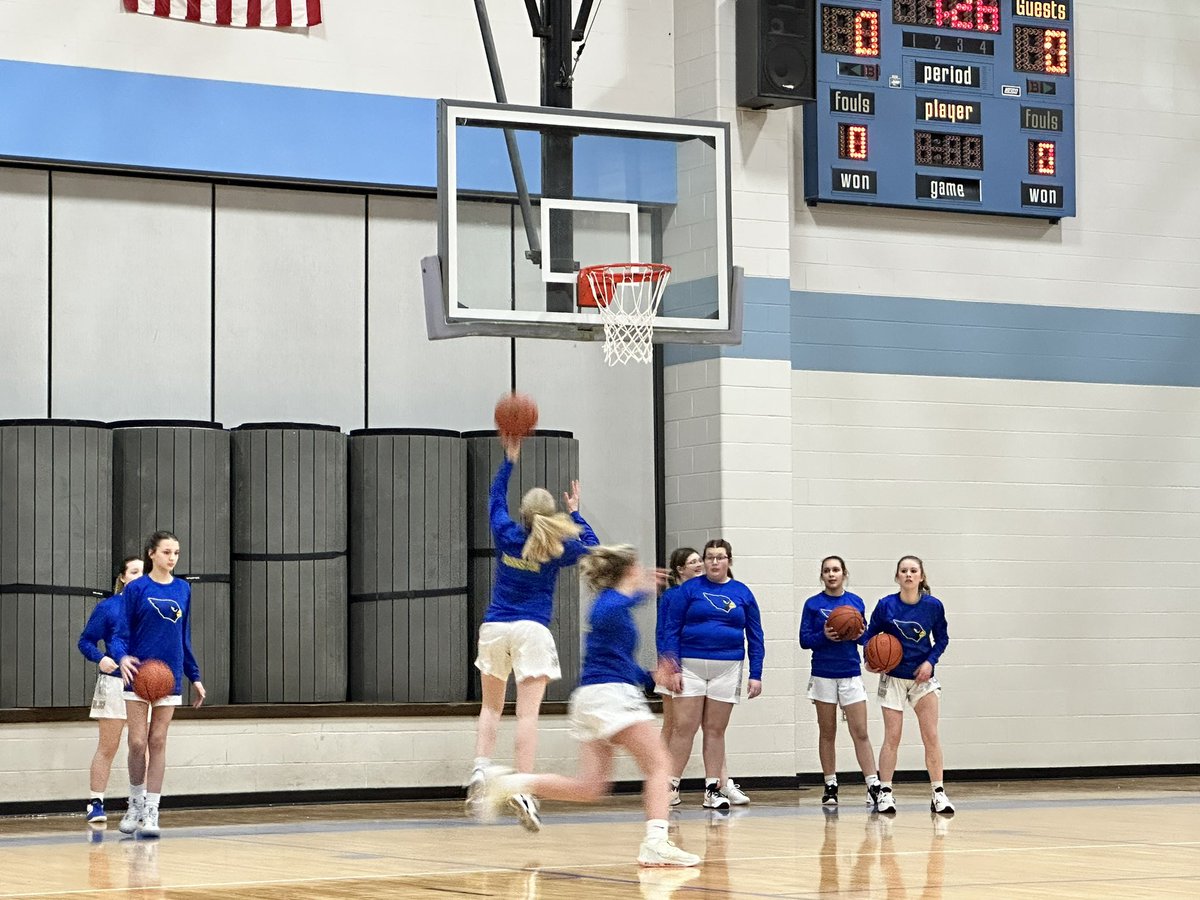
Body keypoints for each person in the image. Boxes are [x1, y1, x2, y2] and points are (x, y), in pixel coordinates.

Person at [476, 544, 701, 868]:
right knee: (660, 765)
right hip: (610, 696)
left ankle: (513, 783)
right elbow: (607, 616)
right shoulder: (609, 605)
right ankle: (655, 843)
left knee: (591, 787)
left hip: (594, 697)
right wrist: (637, 594)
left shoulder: (615, 605)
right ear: (627, 571)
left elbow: (619, 662)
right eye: (637, 567)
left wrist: (652, 675)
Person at [466, 435, 599, 825]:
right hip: (531, 631)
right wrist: (575, 514)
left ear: (522, 513)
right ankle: (522, 788)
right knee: (527, 716)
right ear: (551, 514)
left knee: (491, 707)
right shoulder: (557, 547)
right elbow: (593, 547)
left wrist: (509, 461)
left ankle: (479, 767)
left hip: (494, 627)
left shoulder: (506, 533)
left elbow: (493, 498)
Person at [111, 531, 206, 838]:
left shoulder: (183, 588)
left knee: (159, 741)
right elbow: (119, 632)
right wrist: (121, 657)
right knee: (137, 742)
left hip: (169, 673)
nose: (172, 558)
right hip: (138, 672)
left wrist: (194, 675)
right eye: (167, 552)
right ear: (152, 553)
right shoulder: (136, 589)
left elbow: (184, 636)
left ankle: (152, 810)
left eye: (176, 552)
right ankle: (134, 803)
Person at [659, 539, 764, 811]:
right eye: (709, 557)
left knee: (716, 731)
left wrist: (756, 673)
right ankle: (670, 786)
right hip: (690, 666)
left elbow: (755, 635)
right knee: (684, 729)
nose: (714, 562)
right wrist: (672, 666)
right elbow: (671, 629)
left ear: (729, 560)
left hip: (728, 667)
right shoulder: (689, 590)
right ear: (704, 561)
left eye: (720, 557)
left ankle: (712, 790)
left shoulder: (742, 592)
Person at [863, 555, 953, 815]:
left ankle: (938, 793)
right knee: (892, 737)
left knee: (931, 736)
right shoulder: (885, 605)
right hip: (893, 677)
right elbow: (869, 637)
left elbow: (943, 639)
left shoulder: (933, 606)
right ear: (897, 576)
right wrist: (869, 661)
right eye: (904, 571)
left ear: (921, 576)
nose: (909, 575)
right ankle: (886, 792)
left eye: (913, 570)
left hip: (922, 678)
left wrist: (930, 662)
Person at [799, 555, 881, 808]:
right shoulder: (812, 604)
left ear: (844, 573)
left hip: (850, 673)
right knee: (827, 732)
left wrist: (860, 635)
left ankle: (873, 784)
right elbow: (805, 640)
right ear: (821, 575)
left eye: (836, 570)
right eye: (826, 570)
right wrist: (823, 635)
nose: (831, 574)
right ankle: (831, 784)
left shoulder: (855, 602)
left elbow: (864, 639)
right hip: (823, 673)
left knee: (861, 732)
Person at [77, 555, 144, 824]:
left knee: (140, 747)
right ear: (123, 578)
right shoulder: (109, 608)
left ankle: (138, 803)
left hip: (144, 686)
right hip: (114, 683)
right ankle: (96, 803)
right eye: (135, 572)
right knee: (108, 745)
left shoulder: (155, 609)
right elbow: (85, 641)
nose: (140, 576)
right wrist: (100, 658)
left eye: (144, 572)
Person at [653, 547, 702, 794]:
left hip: (697, 667)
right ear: (680, 569)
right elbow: (663, 632)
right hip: (673, 666)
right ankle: (659, 778)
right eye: (693, 561)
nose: (699, 564)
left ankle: (721, 783)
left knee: (708, 727)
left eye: (699, 560)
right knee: (671, 724)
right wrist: (668, 664)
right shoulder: (672, 596)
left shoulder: (704, 594)